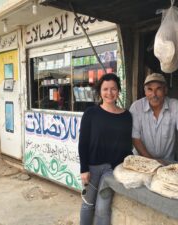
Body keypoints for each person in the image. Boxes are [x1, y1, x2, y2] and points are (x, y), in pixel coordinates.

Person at [78, 73, 132, 225]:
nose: (109, 93)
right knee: (88, 205)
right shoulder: (91, 113)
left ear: (118, 91)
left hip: (112, 170)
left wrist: (129, 166)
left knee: (103, 208)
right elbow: (83, 142)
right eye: (105, 89)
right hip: (92, 167)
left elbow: (127, 145)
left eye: (113, 89)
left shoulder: (126, 116)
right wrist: (84, 169)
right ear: (100, 92)